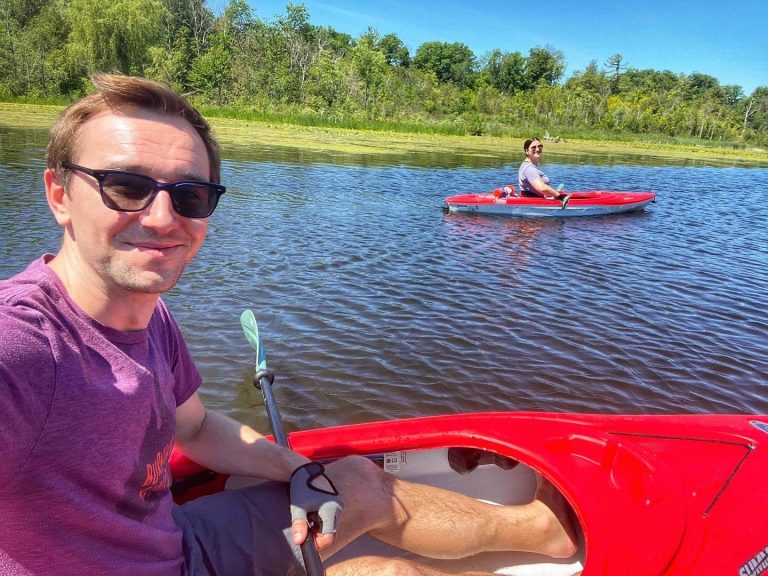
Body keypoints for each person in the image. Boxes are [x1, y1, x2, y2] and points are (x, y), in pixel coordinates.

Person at [0, 73, 578, 576]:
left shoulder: (148, 313)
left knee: (356, 480)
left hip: (170, 539)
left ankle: (542, 532)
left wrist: (301, 469)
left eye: (190, 195)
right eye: (126, 186)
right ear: (59, 195)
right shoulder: (25, 345)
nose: (161, 218)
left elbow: (195, 428)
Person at [518, 137, 571, 208]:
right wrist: (560, 196)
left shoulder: (526, 165)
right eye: (533, 147)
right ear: (526, 151)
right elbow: (542, 188)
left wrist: (553, 193)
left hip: (536, 200)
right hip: (534, 204)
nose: (537, 149)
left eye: (539, 146)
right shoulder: (529, 169)